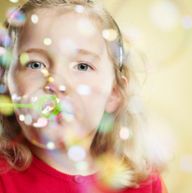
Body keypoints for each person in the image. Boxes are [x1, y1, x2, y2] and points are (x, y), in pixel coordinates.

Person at [0, 0, 168, 192]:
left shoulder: (142, 182)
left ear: (114, 94)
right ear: (7, 84)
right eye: (35, 64)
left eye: (82, 66)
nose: (55, 82)